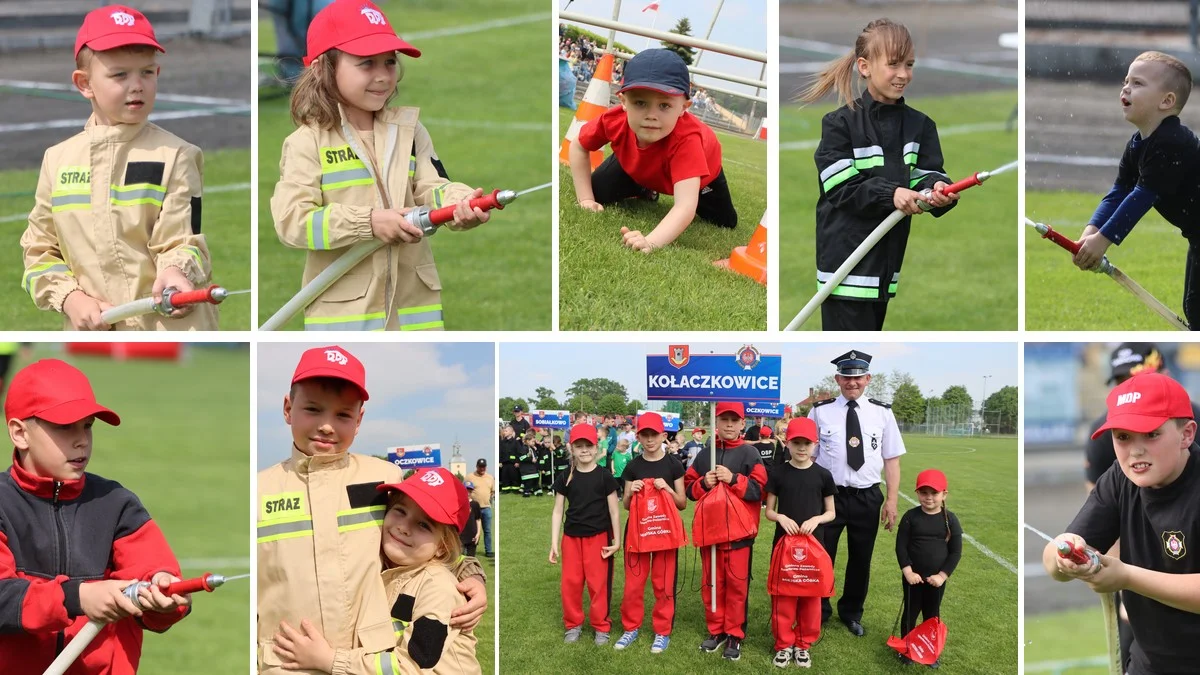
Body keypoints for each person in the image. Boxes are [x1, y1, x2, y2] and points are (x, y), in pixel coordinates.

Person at [257, 345, 486, 674]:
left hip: (371, 661)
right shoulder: (259, 490)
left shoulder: (384, 478)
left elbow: (430, 546)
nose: (326, 426)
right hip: (286, 664)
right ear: (288, 408)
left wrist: (472, 577)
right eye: (313, 409)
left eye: (343, 415)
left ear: (360, 419)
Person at [270, 0, 491, 331]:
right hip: (346, 323)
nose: (383, 76)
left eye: (389, 62)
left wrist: (460, 201)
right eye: (366, 63)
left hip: (415, 320)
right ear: (322, 68)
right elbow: (293, 221)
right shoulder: (307, 142)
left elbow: (432, 185)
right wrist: (369, 223)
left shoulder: (410, 129)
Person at [22, 5, 218, 332]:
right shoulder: (57, 160)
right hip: (91, 332)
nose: (137, 85)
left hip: (169, 328)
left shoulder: (176, 155)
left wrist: (176, 272)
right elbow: (38, 251)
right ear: (84, 84)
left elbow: (184, 241)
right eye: (120, 75)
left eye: (147, 72)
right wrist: (71, 298)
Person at [0, 359, 192, 672]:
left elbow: (154, 576)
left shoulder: (117, 503)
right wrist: (75, 598)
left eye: (88, 426)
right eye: (65, 427)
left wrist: (167, 597)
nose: (82, 441)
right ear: (20, 433)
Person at [800, 19, 960, 330]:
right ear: (865, 66)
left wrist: (939, 190)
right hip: (845, 270)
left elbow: (927, 177)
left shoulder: (921, 126)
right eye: (894, 64)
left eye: (910, 64)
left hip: (885, 270)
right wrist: (892, 194)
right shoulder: (839, 124)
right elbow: (841, 188)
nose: (904, 74)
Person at [1043, 372, 1200, 674]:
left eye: (1152, 434)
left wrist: (1127, 577)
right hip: (1149, 664)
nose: (1136, 450)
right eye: (1123, 437)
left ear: (1187, 434)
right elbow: (1054, 561)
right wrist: (1065, 558)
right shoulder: (1119, 479)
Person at [272, 468, 482, 674]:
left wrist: (329, 659)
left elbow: (410, 667)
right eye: (400, 510)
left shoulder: (439, 588)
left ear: (443, 546)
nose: (404, 527)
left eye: (423, 525)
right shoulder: (377, 562)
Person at [1069, 52, 1200, 329]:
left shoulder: (1171, 142)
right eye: (1126, 81)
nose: (1126, 88)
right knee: (1194, 306)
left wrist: (1103, 241)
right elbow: (1119, 190)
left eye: (1138, 83)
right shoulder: (1138, 144)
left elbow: (1141, 195)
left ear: (1167, 101)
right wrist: (1091, 232)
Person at [569, 48, 738, 253]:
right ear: (623, 102)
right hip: (635, 166)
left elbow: (685, 207)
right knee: (598, 191)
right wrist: (586, 199)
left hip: (704, 177)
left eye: (664, 105)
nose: (651, 115)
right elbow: (579, 145)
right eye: (640, 103)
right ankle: (644, 188)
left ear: (684, 107)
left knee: (725, 221)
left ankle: (647, 186)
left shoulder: (687, 139)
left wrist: (651, 241)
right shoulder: (615, 120)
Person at [808, 350, 906, 636]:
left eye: (858, 377)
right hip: (829, 497)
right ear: (838, 379)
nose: (852, 383)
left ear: (868, 379)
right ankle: (820, 609)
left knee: (860, 559)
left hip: (867, 496)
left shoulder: (882, 413)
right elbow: (808, 457)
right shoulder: (820, 411)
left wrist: (891, 501)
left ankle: (851, 612)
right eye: (847, 377)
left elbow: (892, 460)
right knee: (823, 556)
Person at [684, 402, 767, 661]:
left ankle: (734, 633)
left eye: (734, 420)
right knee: (712, 583)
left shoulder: (750, 454)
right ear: (715, 423)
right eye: (724, 419)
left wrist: (734, 479)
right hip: (711, 533)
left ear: (743, 423)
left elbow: (759, 491)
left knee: (736, 586)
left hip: (739, 535)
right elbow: (689, 489)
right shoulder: (704, 454)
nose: (729, 424)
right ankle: (716, 629)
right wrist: (703, 483)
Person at [764, 417, 836, 669]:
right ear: (788, 443)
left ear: (815, 444)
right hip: (784, 544)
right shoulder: (779, 472)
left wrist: (817, 519)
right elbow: (769, 511)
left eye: (807, 443)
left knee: (810, 597)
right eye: (796, 442)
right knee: (783, 596)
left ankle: (803, 644)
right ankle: (783, 644)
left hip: (814, 545)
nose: (802, 447)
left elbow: (831, 512)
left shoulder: (823, 475)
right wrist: (781, 516)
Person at [614, 413, 687, 654]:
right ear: (638, 436)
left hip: (664, 533)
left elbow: (682, 503)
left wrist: (666, 488)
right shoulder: (633, 465)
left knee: (663, 584)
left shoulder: (673, 464)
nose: (649, 439)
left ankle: (662, 631)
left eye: (654, 434)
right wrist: (631, 492)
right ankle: (631, 627)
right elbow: (625, 504)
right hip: (637, 532)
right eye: (644, 435)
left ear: (664, 436)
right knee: (633, 584)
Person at [550, 424, 621, 646]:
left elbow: (614, 511)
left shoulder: (605, 476)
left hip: (598, 538)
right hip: (571, 538)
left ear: (596, 447)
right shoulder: (566, 477)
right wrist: (554, 542)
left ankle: (601, 625)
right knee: (570, 583)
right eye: (578, 446)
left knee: (598, 584)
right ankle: (573, 624)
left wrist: (617, 541)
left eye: (588, 446)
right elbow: (557, 510)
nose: (584, 450)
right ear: (572, 449)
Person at [895, 469, 962, 668]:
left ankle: (931, 651)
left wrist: (942, 576)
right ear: (917, 493)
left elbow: (955, 552)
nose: (929, 498)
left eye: (934, 493)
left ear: (944, 494)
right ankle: (907, 649)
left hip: (936, 581)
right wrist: (908, 571)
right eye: (924, 493)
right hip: (913, 578)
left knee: (932, 616)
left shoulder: (950, 520)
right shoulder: (910, 517)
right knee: (910, 613)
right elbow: (901, 546)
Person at [470, 458, 495, 557]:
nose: (482, 469)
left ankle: (488, 551)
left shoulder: (490, 477)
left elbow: (493, 490)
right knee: (473, 530)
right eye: (480, 467)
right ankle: (471, 550)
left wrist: (490, 497)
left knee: (487, 530)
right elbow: (465, 490)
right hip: (474, 508)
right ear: (476, 467)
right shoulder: (470, 477)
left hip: (486, 508)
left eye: (483, 467)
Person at [499, 424, 523, 495]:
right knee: (505, 477)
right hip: (505, 463)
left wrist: (517, 462)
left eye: (506, 431)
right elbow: (500, 452)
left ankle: (515, 489)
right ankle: (505, 489)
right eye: (504, 431)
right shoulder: (502, 443)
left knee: (514, 476)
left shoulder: (516, 442)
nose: (504, 432)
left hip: (513, 464)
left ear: (511, 432)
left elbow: (519, 453)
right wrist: (500, 462)